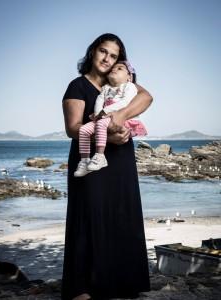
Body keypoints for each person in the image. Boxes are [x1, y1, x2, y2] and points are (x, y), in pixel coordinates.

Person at [61, 33, 153, 300]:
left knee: (123, 215)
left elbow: (147, 97)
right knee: (88, 217)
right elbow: (72, 128)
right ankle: (81, 287)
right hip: (90, 161)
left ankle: (123, 283)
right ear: (93, 52)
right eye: (103, 51)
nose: (107, 59)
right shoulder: (77, 86)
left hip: (121, 160)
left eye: (113, 56)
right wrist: (108, 134)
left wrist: (120, 116)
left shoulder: (122, 82)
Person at [74, 60, 148, 177]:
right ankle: (85, 161)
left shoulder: (129, 86)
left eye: (120, 68)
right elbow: (99, 100)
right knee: (83, 130)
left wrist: (105, 111)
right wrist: (98, 113)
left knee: (101, 125)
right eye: (113, 68)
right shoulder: (106, 88)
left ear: (129, 77)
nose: (114, 69)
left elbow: (125, 102)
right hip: (103, 117)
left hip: (120, 118)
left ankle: (100, 156)